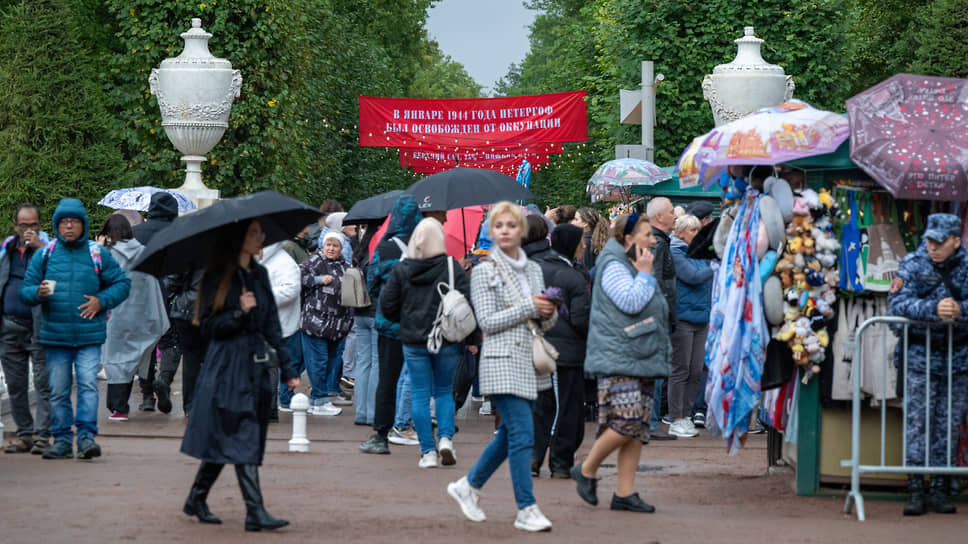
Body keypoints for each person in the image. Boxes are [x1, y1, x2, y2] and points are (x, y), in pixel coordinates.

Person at [180, 219, 300, 532]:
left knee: (232, 434)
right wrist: (238, 312)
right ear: (238, 238)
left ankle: (196, 497)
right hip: (226, 365)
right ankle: (255, 511)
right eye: (253, 233)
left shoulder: (259, 274)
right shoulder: (218, 275)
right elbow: (207, 327)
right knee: (243, 433)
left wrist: (287, 368)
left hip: (254, 364)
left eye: (261, 232)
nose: (260, 237)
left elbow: (272, 323)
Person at [447, 201, 557, 532]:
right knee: (523, 434)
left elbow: (540, 323)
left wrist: (548, 313)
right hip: (500, 362)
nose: (505, 231)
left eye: (511, 225)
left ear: (522, 231)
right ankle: (526, 507)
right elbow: (487, 322)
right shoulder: (484, 271)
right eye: (499, 226)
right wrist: (529, 307)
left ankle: (468, 486)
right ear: (491, 232)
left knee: (510, 434)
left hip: (530, 363)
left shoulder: (534, 269)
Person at [571, 212, 671, 514]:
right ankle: (586, 469)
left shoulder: (629, 262)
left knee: (637, 427)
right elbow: (631, 302)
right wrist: (645, 274)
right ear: (628, 238)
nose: (653, 241)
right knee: (626, 422)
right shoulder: (613, 264)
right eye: (646, 235)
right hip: (618, 356)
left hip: (638, 354)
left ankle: (624, 493)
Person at [20, 198, 131, 460]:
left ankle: (86, 438)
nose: (69, 226)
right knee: (59, 390)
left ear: (83, 224)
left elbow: (122, 284)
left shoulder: (97, 253)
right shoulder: (45, 254)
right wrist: (37, 293)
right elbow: (25, 291)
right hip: (55, 337)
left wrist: (101, 301)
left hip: (89, 336)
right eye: (64, 222)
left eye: (74, 222)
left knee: (88, 386)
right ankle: (61, 441)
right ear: (57, 225)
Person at [888, 213, 968, 516]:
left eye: (940, 242)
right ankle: (915, 490)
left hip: (957, 360)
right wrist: (933, 309)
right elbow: (896, 304)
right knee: (917, 425)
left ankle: (940, 488)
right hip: (920, 357)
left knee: (948, 426)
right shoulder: (912, 263)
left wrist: (960, 311)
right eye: (929, 240)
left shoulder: (966, 266)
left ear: (956, 241)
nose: (933, 247)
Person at [380, 217, 471, 468]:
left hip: (413, 340)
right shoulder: (452, 267)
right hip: (447, 339)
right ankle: (446, 438)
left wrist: (405, 319)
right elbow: (468, 303)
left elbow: (387, 306)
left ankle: (428, 451)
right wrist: (471, 339)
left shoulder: (402, 269)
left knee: (419, 394)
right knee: (444, 391)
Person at [525, 219, 591, 479]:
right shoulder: (575, 277)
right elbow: (581, 320)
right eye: (581, 242)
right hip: (569, 353)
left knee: (541, 406)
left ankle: (534, 457)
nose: (584, 247)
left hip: (539, 347)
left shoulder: (536, 269)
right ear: (572, 245)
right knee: (568, 408)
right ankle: (561, 462)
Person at [360, 194, 422, 455]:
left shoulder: (384, 248)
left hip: (390, 323)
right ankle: (423, 435)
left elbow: (372, 284)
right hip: (419, 322)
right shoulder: (424, 245)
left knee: (388, 379)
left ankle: (381, 435)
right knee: (420, 380)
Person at [99, 215, 169, 421]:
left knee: (115, 361)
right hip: (140, 316)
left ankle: (118, 406)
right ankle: (138, 397)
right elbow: (152, 287)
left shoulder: (107, 255)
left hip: (115, 317)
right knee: (133, 360)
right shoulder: (143, 253)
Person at [1, 204, 51, 454]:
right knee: (16, 384)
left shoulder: (50, 249)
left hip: (40, 326)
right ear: (16, 226)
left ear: (40, 226)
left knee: (43, 382)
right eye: (23, 225)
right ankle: (25, 434)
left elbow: (59, 275)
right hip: (9, 325)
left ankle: (43, 436)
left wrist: (40, 249)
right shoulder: (6, 249)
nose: (28, 230)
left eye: (33, 225)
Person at [132, 192, 180, 413]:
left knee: (146, 346)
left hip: (142, 295)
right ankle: (164, 380)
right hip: (170, 294)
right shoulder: (179, 232)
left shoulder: (136, 233)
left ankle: (147, 395)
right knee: (171, 342)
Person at [667, 214, 713, 438]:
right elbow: (693, 277)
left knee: (695, 371)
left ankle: (686, 415)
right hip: (684, 318)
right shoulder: (676, 253)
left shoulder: (700, 253)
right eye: (692, 230)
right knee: (681, 369)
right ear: (680, 233)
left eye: (698, 229)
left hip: (702, 318)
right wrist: (716, 266)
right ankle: (676, 418)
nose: (697, 234)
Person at [299, 231, 353, 416]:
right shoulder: (313, 261)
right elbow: (297, 279)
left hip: (337, 326)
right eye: (328, 245)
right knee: (318, 362)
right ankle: (319, 399)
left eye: (335, 245)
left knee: (329, 363)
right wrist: (318, 280)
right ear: (322, 245)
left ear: (341, 248)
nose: (331, 249)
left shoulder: (346, 265)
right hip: (315, 323)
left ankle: (318, 399)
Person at [257, 241, 301, 421]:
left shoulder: (284, 262)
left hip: (277, 323)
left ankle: (269, 408)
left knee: (270, 365)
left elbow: (291, 290)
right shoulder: (255, 261)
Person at [646, 197, 678, 437]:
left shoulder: (659, 241)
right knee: (655, 370)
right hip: (657, 315)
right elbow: (654, 281)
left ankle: (651, 421)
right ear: (659, 216)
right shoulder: (657, 243)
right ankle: (650, 423)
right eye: (671, 211)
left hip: (659, 314)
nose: (675, 216)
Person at [351, 220, 382, 426]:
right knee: (376, 362)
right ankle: (372, 413)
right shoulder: (378, 251)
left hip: (359, 310)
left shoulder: (359, 252)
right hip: (376, 311)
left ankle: (361, 412)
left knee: (362, 362)